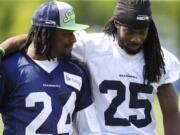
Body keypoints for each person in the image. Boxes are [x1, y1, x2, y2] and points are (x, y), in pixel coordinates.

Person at [0, 0, 180, 135]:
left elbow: (171, 113)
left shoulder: (160, 59)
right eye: (130, 31)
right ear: (117, 24)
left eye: (142, 32)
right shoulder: (91, 46)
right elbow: (41, 37)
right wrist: (3, 49)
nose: (136, 39)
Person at [0, 1, 101, 135]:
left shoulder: (77, 72)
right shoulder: (10, 68)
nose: (73, 40)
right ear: (45, 33)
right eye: (67, 33)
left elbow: (89, 130)